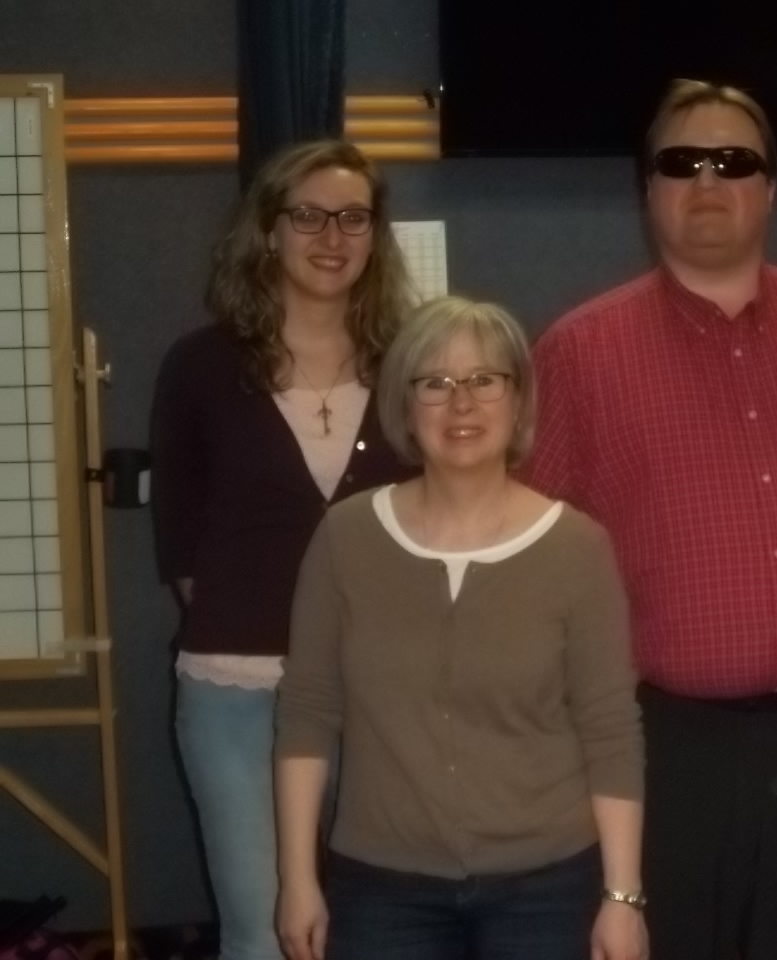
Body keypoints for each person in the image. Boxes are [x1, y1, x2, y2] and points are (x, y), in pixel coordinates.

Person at [523, 79, 777, 960]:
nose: (707, 181)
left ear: (771, 189)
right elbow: (533, 570)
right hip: (663, 749)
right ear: (649, 190)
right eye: (681, 163)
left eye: (733, 162)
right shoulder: (575, 356)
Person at [274, 296, 647, 960]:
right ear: (405, 406)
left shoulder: (577, 549)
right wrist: (297, 879)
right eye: (436, 383)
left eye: (484, 379)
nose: (462, 403)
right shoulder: (345, 538)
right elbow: (308, 711)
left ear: (518, 401)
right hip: (381, 891)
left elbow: (610, 728)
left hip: (548, 890)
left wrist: (622, 898)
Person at [150, 139, 415, 960]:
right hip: (240, 698)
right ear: (268, 229)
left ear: (375, 236)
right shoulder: (199, 367)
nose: (331, 237)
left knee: (378, 932)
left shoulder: (414, 363)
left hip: (384, 697)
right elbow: (181, 547)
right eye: (307, 215)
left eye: (353, 218)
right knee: (270, 935)